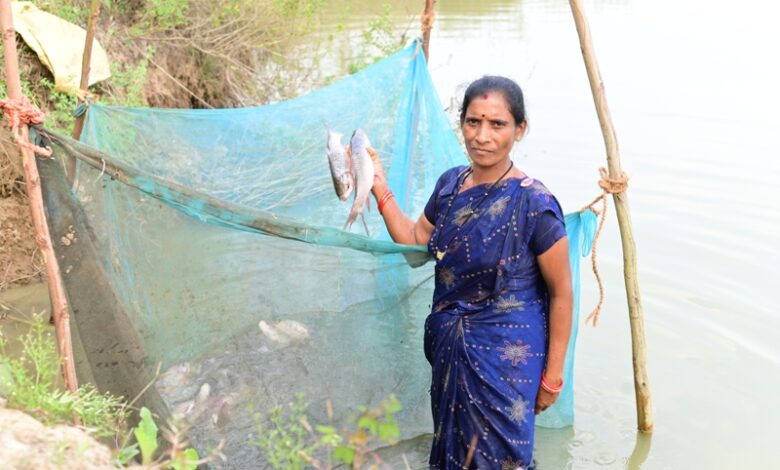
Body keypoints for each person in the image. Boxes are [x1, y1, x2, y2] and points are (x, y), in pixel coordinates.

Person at [369, 76, 573, 469]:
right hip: (451, 351)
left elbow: (562, 292)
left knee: (504, 457)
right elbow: (415, 246)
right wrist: (378, 186)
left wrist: (552, 377)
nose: (482, 135)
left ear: (520, 129)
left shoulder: (535, 203)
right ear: (461, 123)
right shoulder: (449, 185)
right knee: (453, 452)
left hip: (507, 359)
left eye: (497, 124)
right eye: (473, 122)